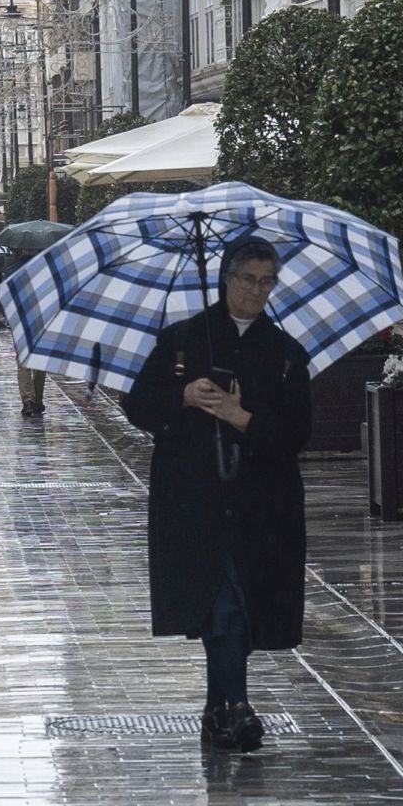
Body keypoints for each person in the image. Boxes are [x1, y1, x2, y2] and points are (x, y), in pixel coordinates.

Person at [119, 237, 312, 752]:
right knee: (219, 600)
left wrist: (240, 417)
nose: (256, 290)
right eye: (247, 278)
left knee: (244, 604)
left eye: (267, 281)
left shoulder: (286, 353)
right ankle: (237, 705)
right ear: (226, 277)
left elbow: (298, 432)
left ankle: (219, 705)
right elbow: (137, 406)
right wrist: (181, 396)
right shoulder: (183, 340)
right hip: (194, 497)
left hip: (262, 503)